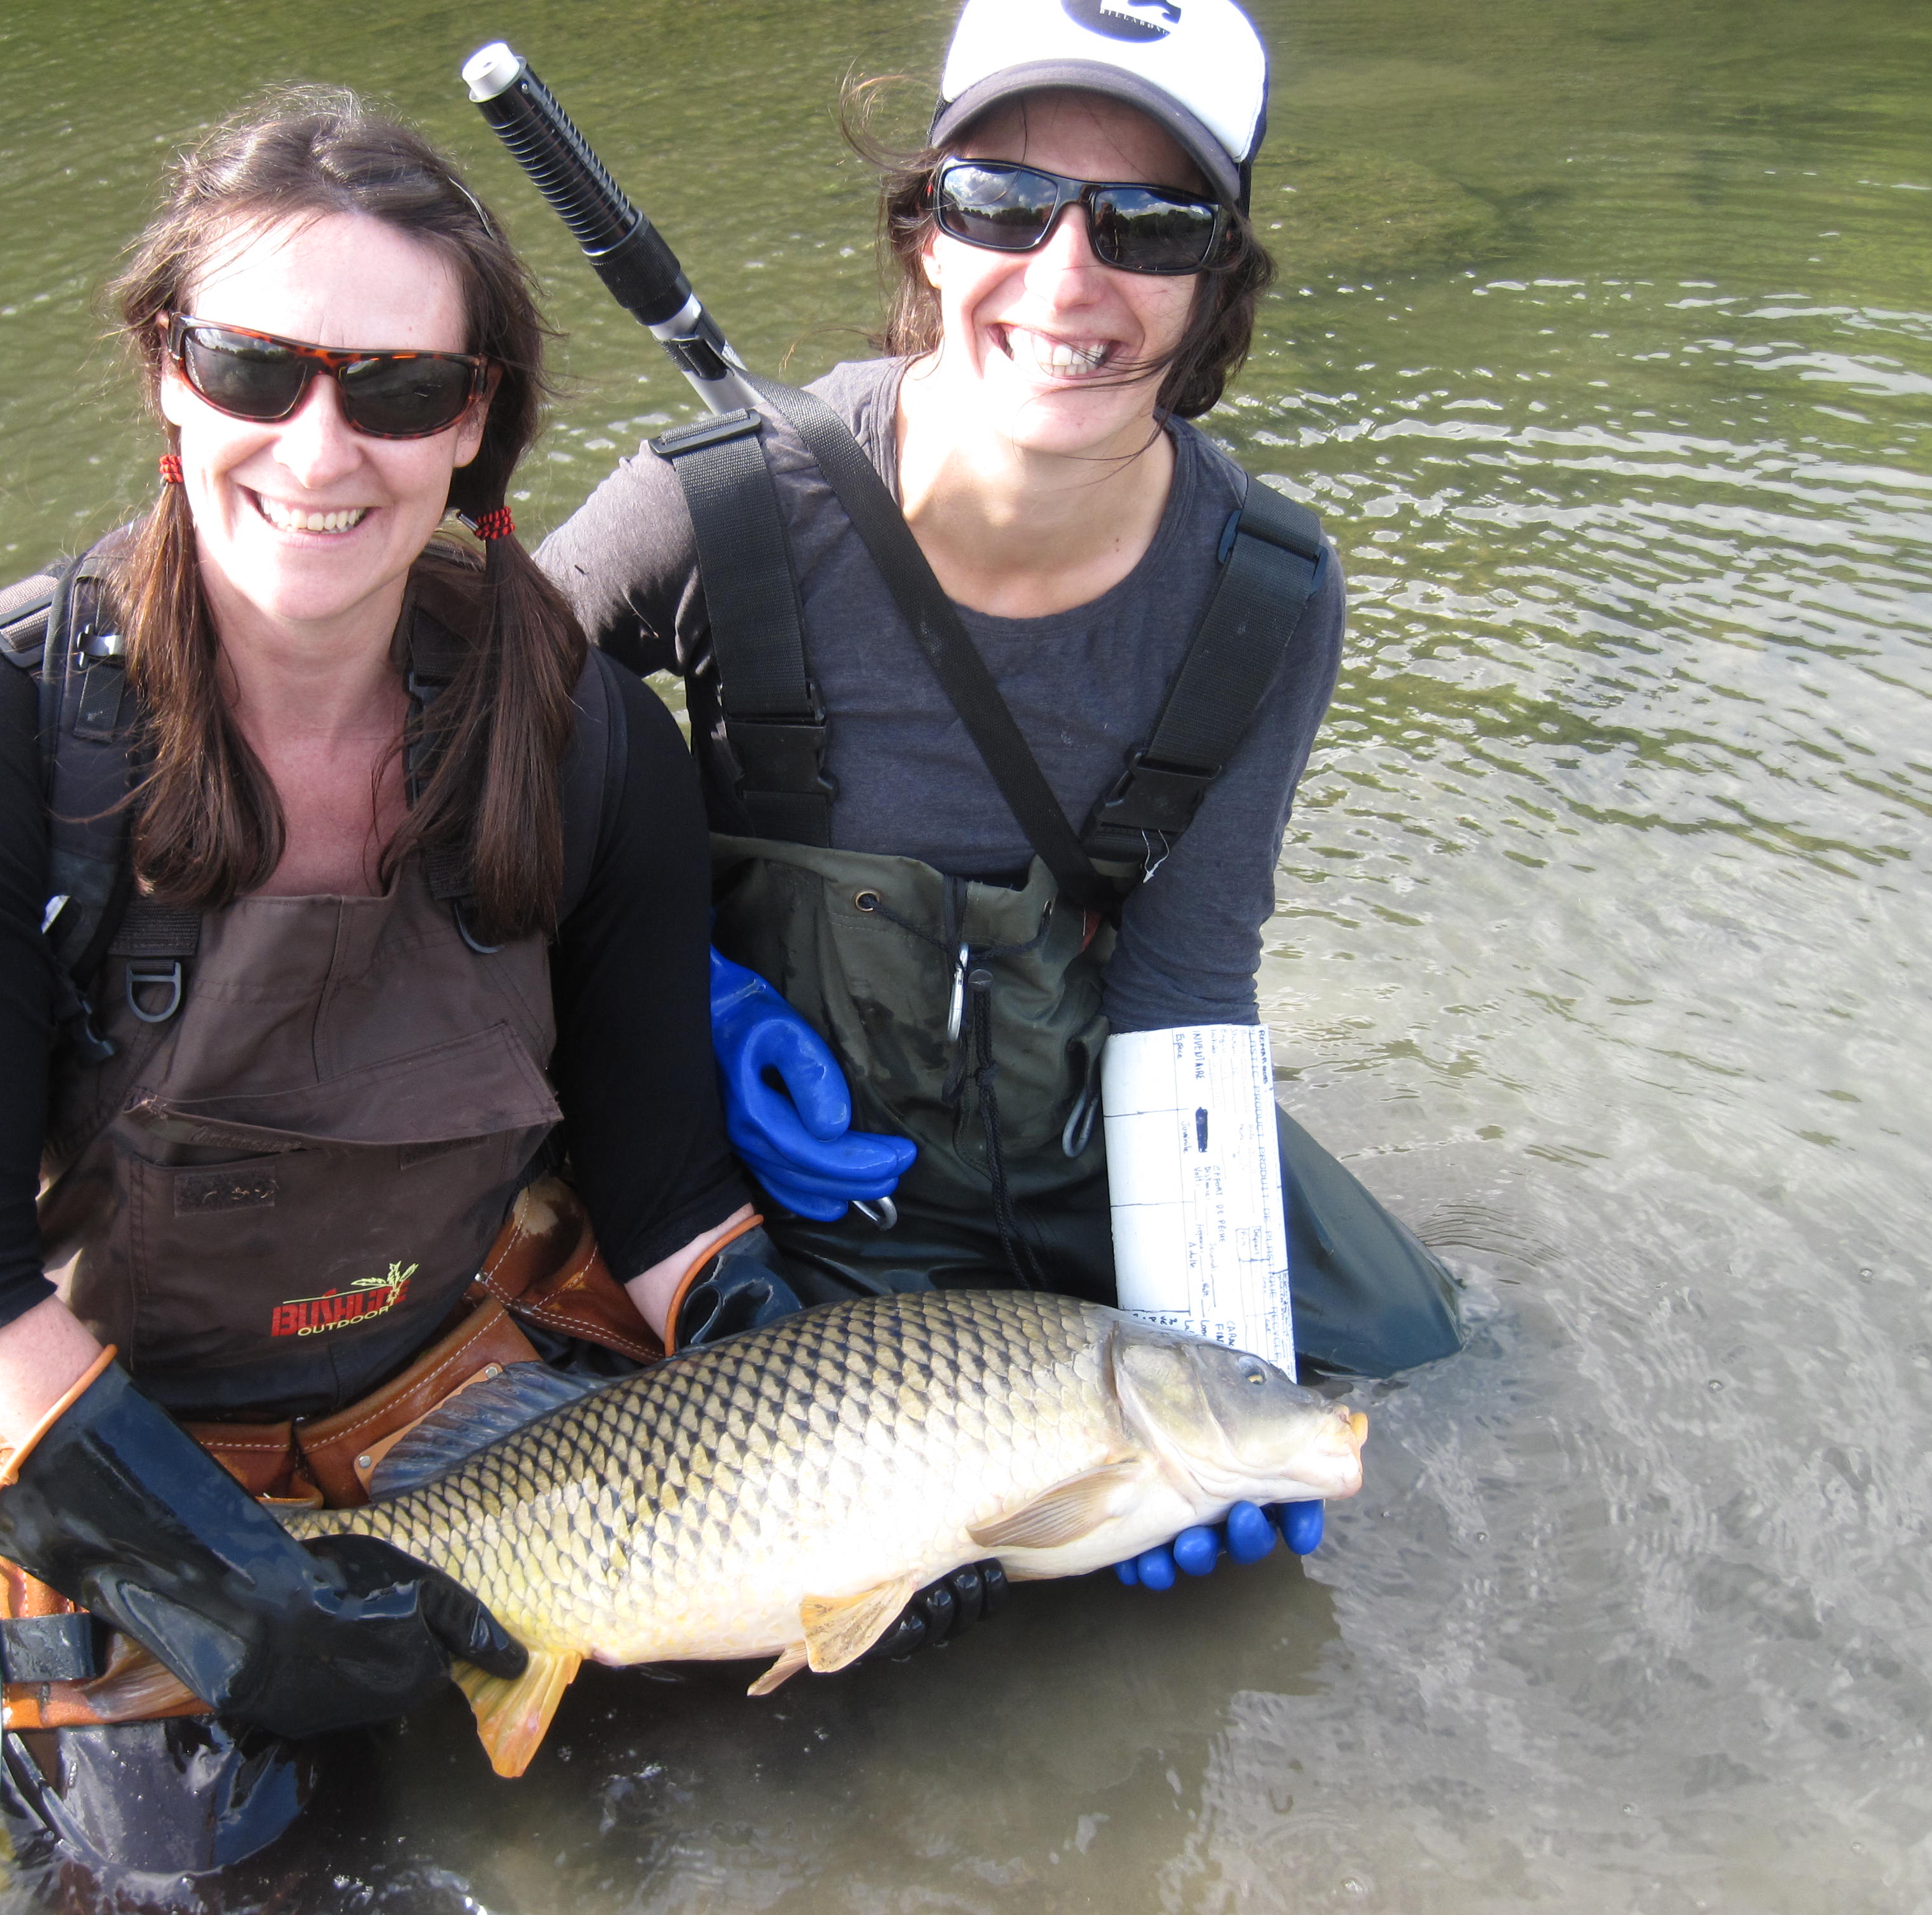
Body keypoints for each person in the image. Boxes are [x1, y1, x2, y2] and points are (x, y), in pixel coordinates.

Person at [0, 87, 794, 1874]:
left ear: (475, 427)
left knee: (814, 1746)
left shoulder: (593, 740)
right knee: (233, 1877)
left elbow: (663, 1187)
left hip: (474, 1385)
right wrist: (231, 1596)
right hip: (122, 1433)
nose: (322, 445)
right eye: (257, 369)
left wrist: (835, 1430)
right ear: (167, 377)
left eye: (400, 387)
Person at [538, 0, 1462, 1589]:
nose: (1064, 278)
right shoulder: (710, 507)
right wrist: (677, 1000)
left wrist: (1210, 1373)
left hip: (1068, 1104)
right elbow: (426, 768)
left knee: (1416, 1357)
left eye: (1149, 224)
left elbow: (1184, 980)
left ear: (1215, 283)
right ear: (927, 234)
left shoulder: (1268, 594)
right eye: (1002, 203)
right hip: (780, 1144)